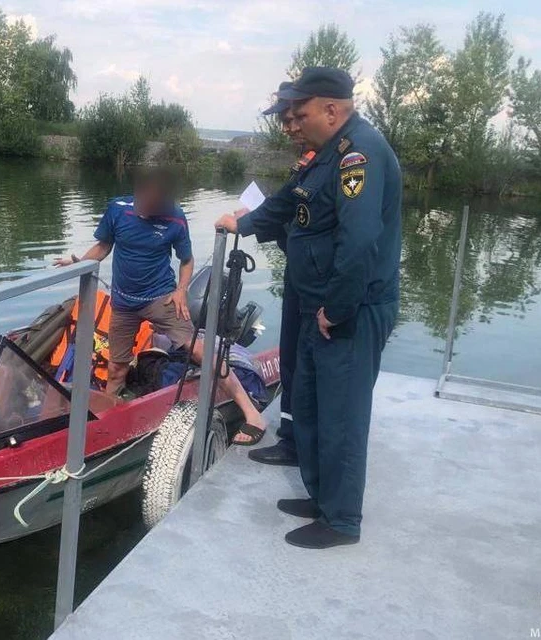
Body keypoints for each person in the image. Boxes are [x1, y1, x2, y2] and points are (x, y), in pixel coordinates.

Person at [216, 67, 402, 549]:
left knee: (341, 414)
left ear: (331, 110)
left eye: (300, 114)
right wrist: (245, 224)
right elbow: (287, 206)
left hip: (348, 311)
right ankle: (320, 498)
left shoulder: (359, 155)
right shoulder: (326, 157)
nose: (292, 123)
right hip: (320, 304)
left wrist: (335, 310)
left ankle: (341, 521)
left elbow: (359, 242)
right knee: (317, 407)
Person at [55, 169, 267, 444]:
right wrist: (80, 262)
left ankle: (251, 412)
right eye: (143, 200)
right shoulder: (117, 210)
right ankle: (104, 431)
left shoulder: (176, 218)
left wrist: (181, 290)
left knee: (201, 351)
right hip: (124, 304)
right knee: (117, 369)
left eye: (154, 205)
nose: (146, 208)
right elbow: (104, 246)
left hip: (161, 300)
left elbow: (187, 260)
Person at [242, 81, 316, 468]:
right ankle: (290, 439)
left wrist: (254, 221)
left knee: (305, 364)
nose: (288, 127)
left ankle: (300, 444)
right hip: (297, 275)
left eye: (294, 118)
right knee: (290, 359)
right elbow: (286, 214)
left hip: (314, 284)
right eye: (285, 120)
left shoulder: (329, 163)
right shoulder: (306, 162)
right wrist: (253, 220)